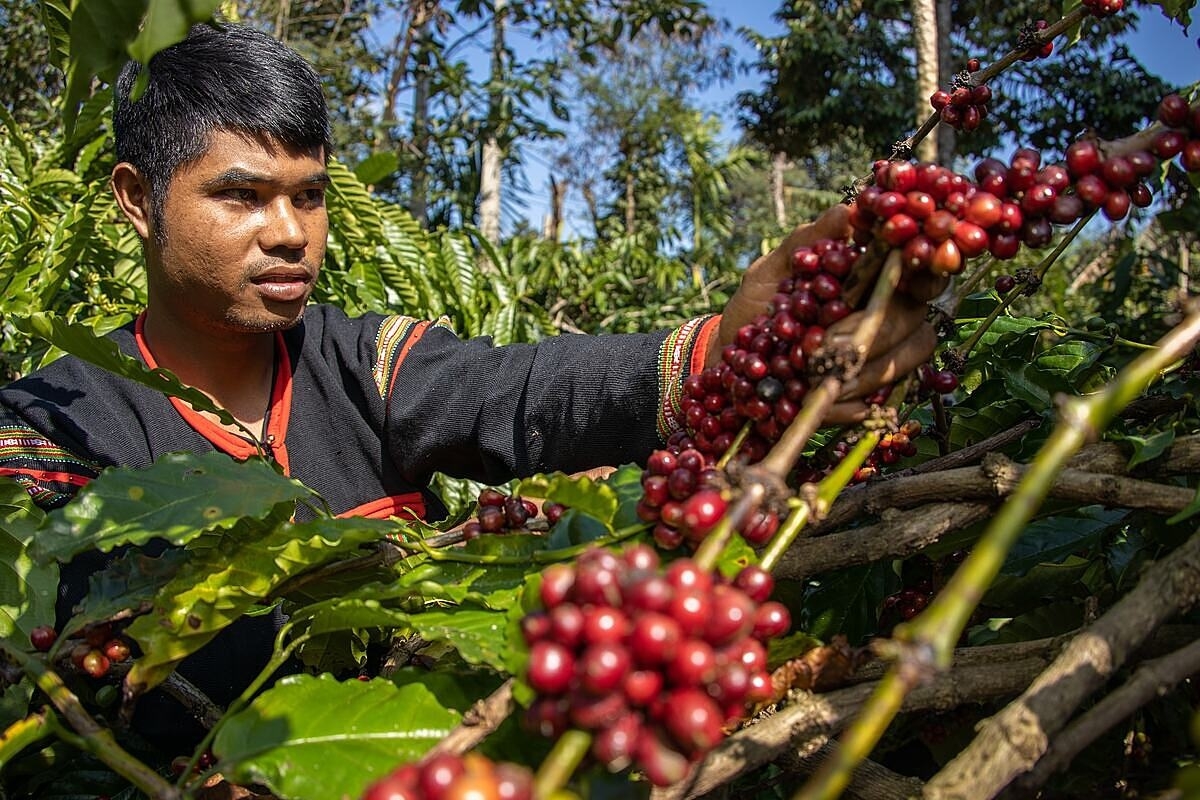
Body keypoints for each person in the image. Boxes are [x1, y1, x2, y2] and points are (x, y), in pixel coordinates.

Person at [0, 23, 936, 753]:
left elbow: (519, 393)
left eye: (312, 195)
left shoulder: (361, 362)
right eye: (242, 197)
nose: (291, 233)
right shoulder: (52, 430)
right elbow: (101, 673)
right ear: (136, 197)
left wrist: (732, 348)